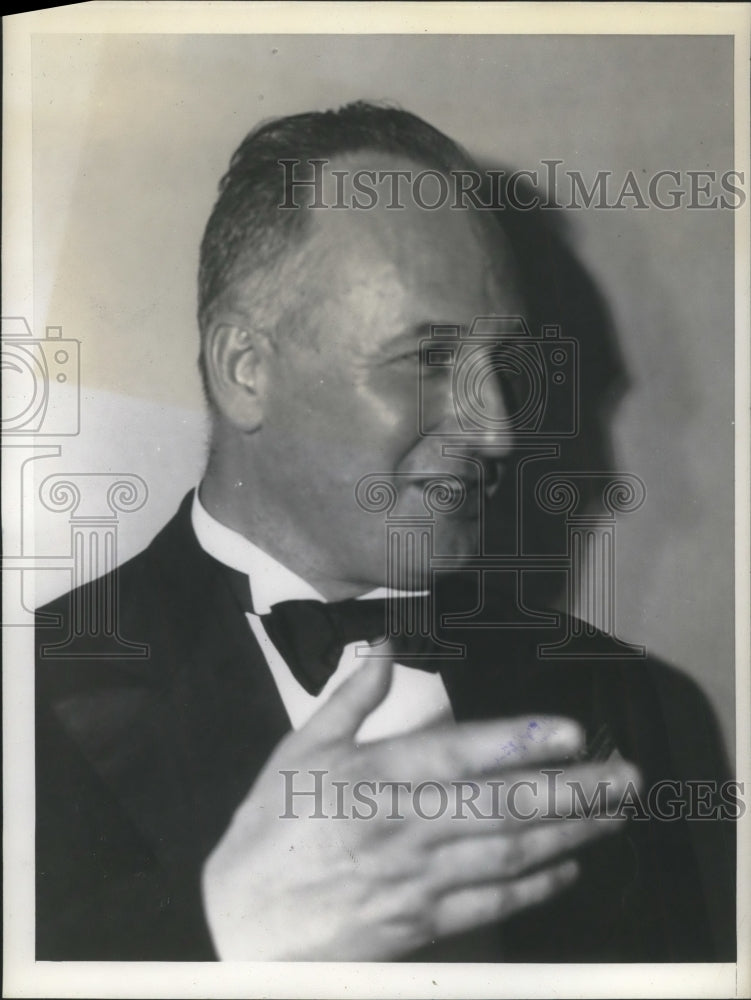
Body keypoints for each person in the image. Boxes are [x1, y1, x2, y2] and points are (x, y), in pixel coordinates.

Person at [35, 102, 735, 962]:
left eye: (500, 368)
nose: (499, 434)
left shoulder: (644, 711)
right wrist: (223, 939)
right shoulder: (28, 702)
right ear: (245, 370)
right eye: (430, 359)